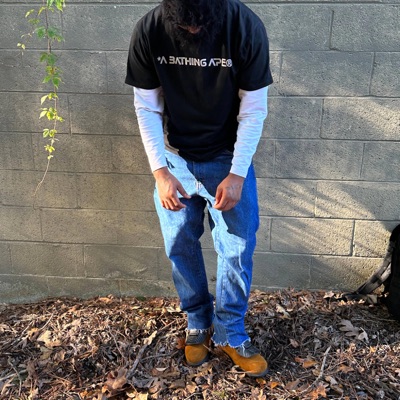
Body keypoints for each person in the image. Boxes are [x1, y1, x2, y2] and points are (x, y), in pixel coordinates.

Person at [125, 0, 273, 377]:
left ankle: (231, 332)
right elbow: (147, 107)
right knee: (179, 243)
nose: (193, 32)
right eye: (184, 26)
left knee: (237, 246)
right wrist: (160, 172)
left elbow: (253, 108)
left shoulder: (245, 26)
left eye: (200, 27)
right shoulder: (149, 29)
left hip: (227, 157)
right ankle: (198, 322)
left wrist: (237, 174)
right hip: (173, 158)